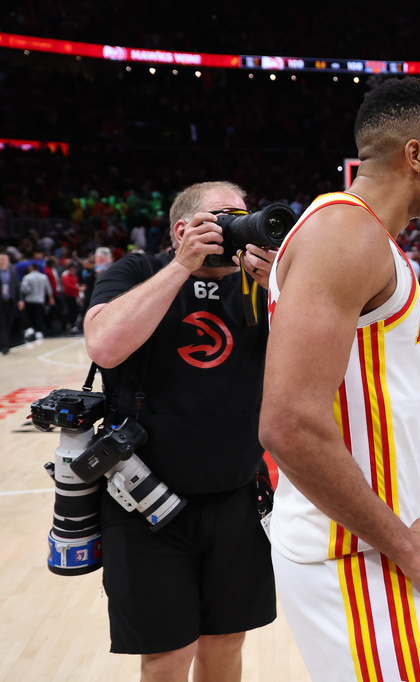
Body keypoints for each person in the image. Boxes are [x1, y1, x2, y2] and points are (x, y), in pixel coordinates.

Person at [259, 76, 420, 682]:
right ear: (414, 155)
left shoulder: (351, 235)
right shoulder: (346, 233)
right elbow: (288, 422)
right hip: (363, 556)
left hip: (379, 550)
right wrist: (403, 545)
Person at [83, 181, 277, 681]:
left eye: (243, 215)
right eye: (222, 217)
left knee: (225, 646)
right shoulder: (137, 270)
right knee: (166, 656)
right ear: (182, 229)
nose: (236, 227)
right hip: (145, 501)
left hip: (238, 496)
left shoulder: (262, 287)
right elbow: (103, 346)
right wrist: (180, 267)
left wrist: (284, 285)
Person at [19, 261, 54, 340]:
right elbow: (48, 289)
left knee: (29, 316)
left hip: (30, 300)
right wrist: (51, 298)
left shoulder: (27, 277)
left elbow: (24, 289)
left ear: (31, 268)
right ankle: (39, 332)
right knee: (39, 317)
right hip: (40, 300)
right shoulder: (43, 277)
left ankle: (30, 330)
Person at [0, 251, 24, 353]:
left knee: (8, 323)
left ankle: (5, 343)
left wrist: (20, 300)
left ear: (8, 260)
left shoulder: (12, 272)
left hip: (10, 301)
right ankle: (4, 345)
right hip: (1, 302)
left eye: (3, 259)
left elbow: (17, 287)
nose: (2, 261)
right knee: (2, 324)